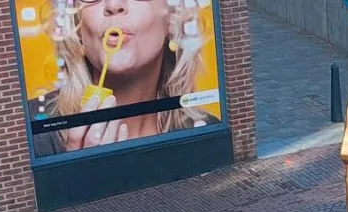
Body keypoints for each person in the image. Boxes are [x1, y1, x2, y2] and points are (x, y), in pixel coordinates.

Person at [29, 0, 218, 157]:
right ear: (76, 24)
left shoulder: (209, 137)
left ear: (174, 15)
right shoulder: (27, 134)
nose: (113, 4)